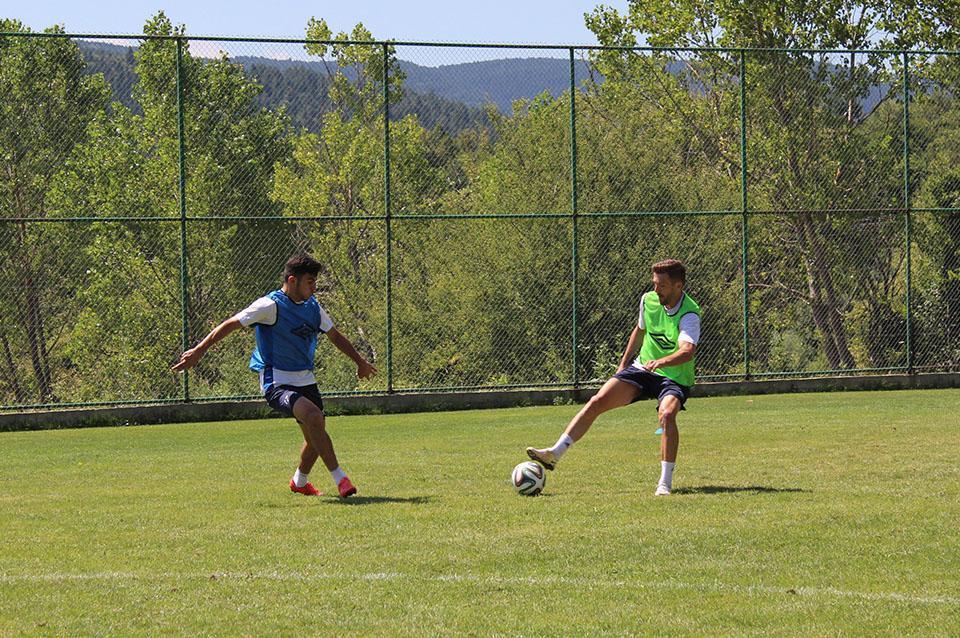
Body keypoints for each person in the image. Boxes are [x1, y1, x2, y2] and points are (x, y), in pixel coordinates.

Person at [171, 254, 377, 498]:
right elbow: (230, 324)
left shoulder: (313, 307)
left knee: (315, 434)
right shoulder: (270, 306)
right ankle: (341, 479)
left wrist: (360, 362)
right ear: (292, 280)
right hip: (277, 381)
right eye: (310, 282)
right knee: (314, 417)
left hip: (306, 379)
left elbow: (335, 336)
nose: (314, 287)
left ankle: (299, 482)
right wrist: (198, 351)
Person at [526, 259, 701, 496]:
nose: (656, 289)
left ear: (678, 285)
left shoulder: (689, 313)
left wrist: (662, 362)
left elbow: (687, 351)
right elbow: (639, 331)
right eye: (654, 283)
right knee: (597, 400)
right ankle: (554, 453)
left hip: (674, 376)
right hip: (643, 369)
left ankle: (664, 483)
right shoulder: (648, 300)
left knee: (667, 415)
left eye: (662, 285)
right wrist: (623, 364)